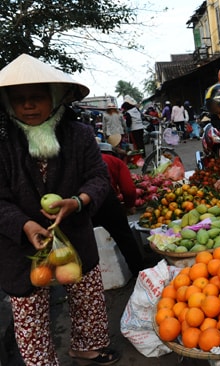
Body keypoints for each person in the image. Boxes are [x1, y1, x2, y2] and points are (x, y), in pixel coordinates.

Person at [0, 54, 119, 365]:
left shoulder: (78, 135)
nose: (27, 105)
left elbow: (98, 176)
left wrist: (78, 201)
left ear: (54, 98)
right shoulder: (2, 143)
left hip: (74, 234)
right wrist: (25, 225)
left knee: (87, 295)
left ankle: (86, 346)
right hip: (20, 246)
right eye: (19, 99)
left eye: (37, 97)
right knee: (28, 309)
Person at [94, 143, 144, 277]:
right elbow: (128, 189)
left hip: (81, 202)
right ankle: (139, 272)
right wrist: (129, 205)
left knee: (89, 242)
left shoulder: (82, 160)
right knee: (124, 236)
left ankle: (97, 279)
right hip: (106, 200)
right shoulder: (115, 161)